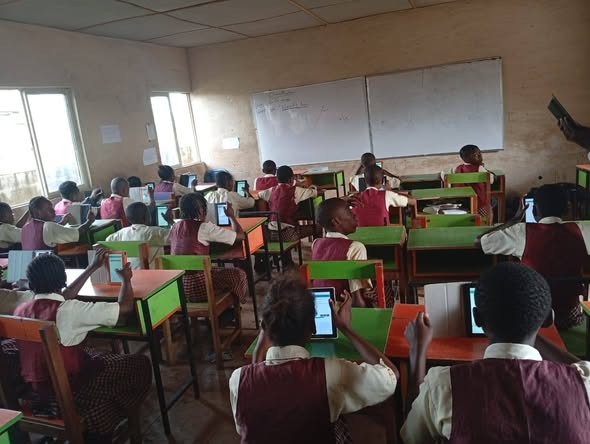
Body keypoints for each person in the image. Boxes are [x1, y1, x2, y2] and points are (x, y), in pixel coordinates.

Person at [401, 262, 590, 443]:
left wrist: (418, 351)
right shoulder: (584, 385)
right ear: (548, 319)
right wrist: (528, 322)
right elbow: (581, 368)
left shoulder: (443, 386)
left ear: (478, 319)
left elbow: (411, 437)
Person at [229, 277, 399, 443]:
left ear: (264, 327)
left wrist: (260, 343)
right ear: (313, 327)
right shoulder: (329, 373)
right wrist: (345, 328)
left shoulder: (238, 380)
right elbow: (391, 375)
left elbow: (249, 423)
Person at [12, 252, 152, 442]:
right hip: (70, 389)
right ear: (63, 279)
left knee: (92, 357)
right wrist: (126, 280)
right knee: (140, 364)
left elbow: (62, 296)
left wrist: (92, 267)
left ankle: (103, 414)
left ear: (31, 283)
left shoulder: (20, 309)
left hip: (36, 390)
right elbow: (125, 307)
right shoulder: (70, 311)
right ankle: (109, 418)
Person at [477, 184, 590, 329]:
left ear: (535, 210)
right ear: (566, 209)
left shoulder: (521, 232)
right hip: (569, 315)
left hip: (534, 318)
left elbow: (482, 242)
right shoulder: (582, 230)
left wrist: (514, 220)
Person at [169, 193, 248, 304]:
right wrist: (231, 216)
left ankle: (227, 308)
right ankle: (232, 307)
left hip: (179, 287)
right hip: (199, 286)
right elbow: (240, 236)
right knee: (239, 275)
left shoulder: (174, 227)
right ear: (202, 210)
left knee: (215, 270)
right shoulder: (204, 228)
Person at [312, 198, 374, 307]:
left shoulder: (315, 244)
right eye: (349, 212)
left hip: (320, 306)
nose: (354, 215)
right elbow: (358, 298)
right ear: (336, 221)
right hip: (344, 308)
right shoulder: (356, 247)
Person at [257, 165, 321, 242]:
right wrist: (313, 187)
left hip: (271, 234)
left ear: (277, 179)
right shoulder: (295, 190)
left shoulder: (271, 190)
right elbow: (318, 193)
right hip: (288, 234)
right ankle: (317, 247)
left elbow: (258, 195)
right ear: (291, 179)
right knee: (318, 228)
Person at [105, 202, 173, 269]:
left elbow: (108, 240)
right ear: (146, 217)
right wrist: (170, 221)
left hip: (130, 273)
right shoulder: (154, 232)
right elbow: (177, 236)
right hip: (153, 273)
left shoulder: (121, 233)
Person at [21, 197, 95, 250]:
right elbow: (78, 233)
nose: (53, 211)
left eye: (52, 207)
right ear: (38, 213)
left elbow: (48, 234)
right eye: (49, 208)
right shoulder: (48, 226)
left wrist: (62, 223)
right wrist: (89, 221)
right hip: (48, 264)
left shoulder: (25, 228)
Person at [444, 144, 494, 219]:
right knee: (491, 205)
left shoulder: (457, 168)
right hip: (480, 205)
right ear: (466, 158)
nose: (480, 156)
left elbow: (443, 174)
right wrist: (485, 169)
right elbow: (491, 180)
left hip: (463, 205)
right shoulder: (479, 168)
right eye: (476, 154)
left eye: (480, 153)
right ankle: (488, 223)